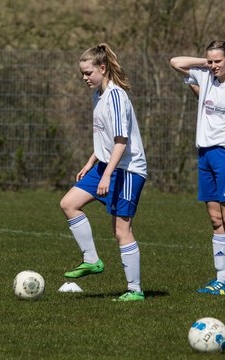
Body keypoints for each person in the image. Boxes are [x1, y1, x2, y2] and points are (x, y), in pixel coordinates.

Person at [60, 43, 147, 301]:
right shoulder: (97, 95)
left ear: (102, 67)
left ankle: (135, 290)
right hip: (105, 164)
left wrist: (107, 174)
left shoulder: (116, 96)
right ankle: (91, 260)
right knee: (68, 203)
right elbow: (105, 139)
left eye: (88, 73)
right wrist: (90, 163)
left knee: (122, 231)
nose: (85, 78)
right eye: (82, 74)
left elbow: (121, 140)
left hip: (127, 169)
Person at [170, 40, 225, 295]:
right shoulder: (205, 75)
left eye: (218, 61)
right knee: (215, 220)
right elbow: (176, 62)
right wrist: (205, 63)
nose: (213, 65)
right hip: (205, 154)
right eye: (210, 61)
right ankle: (220, 277)